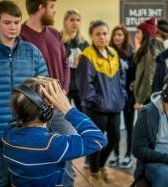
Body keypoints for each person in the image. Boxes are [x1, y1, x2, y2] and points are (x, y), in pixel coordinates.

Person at [0, 1, 48, 186]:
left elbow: (43, 88)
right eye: (7, 23)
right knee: (2, 179)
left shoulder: (33, 52)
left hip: (30, 129)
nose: (13, 27)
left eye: (17, 22)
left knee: (27, 179)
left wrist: (39, 120)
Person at [2, 76, 107, 187]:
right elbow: (98, 139)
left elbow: (21, 109)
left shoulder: (8, 132)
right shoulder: (52, 145)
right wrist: (68, 109)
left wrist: (34, 86)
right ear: (47, 110)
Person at [20, 1, 75, 186]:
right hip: (34, 109)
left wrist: (64, 89)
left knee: (68, 154)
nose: (54, 11)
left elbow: (65, 62)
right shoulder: (19, 35)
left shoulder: (54, 33)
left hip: (59, 107)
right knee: (39, 157)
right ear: (41, 8)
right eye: (52, 6)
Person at [76, 20, 126, 186]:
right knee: (96, 142)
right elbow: (85, 87)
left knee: (115, 138)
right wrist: (100, 102)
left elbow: (121, 79)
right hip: (96, 109)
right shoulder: (86, 56)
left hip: (114, 107)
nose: (102, 37)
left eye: (105, 33)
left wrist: (122, 97)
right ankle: (94, 173)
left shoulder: (113, 52)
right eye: (98, 34)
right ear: (91, 35)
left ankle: (101, 166)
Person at [108, 24, 135, 168]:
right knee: (114, 127)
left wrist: (135, 82)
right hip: (113, 96)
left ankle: (128, 155)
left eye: (120, 35)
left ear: (125, 37)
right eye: (115, 34)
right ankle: (115, 154)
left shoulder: (131, 54)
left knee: (129, 127)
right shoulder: (108, 52)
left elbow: (136, 74)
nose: (117, 37)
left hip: (129, 96)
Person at [133, 17, 165, 111]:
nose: (136, 35)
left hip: (147, 99)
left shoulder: (148, 51)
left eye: (138, 32)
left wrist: (140, 101)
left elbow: (148, 79)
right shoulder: (155, 47)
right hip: (154, 97)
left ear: (145, 34)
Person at [60, 9, 89, 111]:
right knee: (64, 116)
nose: (75, 23)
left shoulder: (83, 42)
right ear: (65, 21)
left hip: (79, 85)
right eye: (72, 20)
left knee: (83, 114)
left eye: (78, 20)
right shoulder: (58, 39)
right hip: (63, 85)